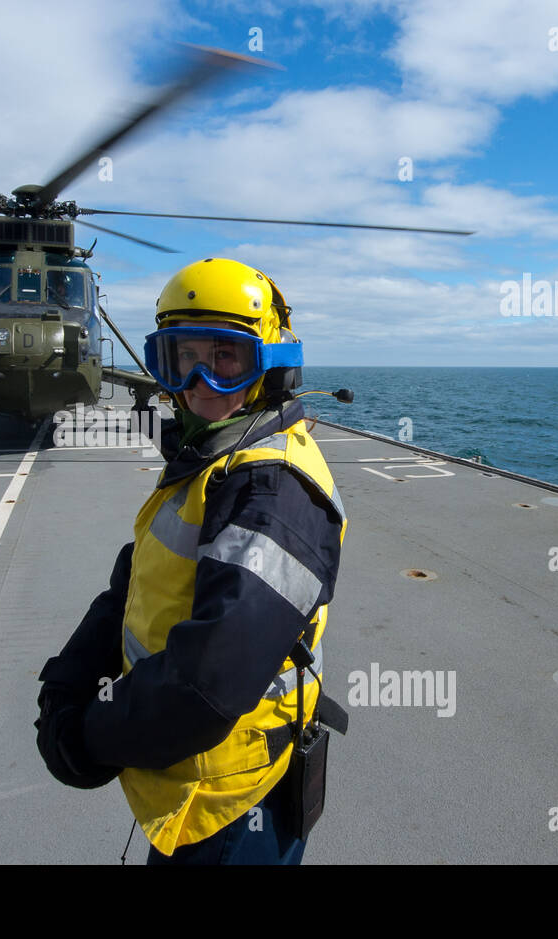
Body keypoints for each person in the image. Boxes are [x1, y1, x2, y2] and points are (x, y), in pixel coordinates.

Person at [36, 257, 348, 864]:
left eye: (226, 357)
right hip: (186, 785)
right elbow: (133, 585)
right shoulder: (213, 460)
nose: (202, 379)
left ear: (271, 369)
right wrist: (69, 679)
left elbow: (207, 684)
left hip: (231, 804)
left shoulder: (274, 492)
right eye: (185, 357)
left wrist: (87, 736)